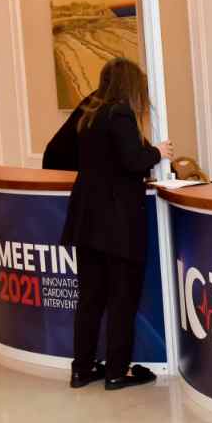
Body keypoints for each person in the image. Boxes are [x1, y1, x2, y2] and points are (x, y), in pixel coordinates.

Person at [60, 58, 172, 390]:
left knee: (90, 299)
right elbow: (132, 160)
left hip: (87, 220)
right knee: (122, 299)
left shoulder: (89, 115)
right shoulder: (120, 113)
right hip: (117, 225)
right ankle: (116, 371)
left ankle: (82, 369)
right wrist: (158, 152)